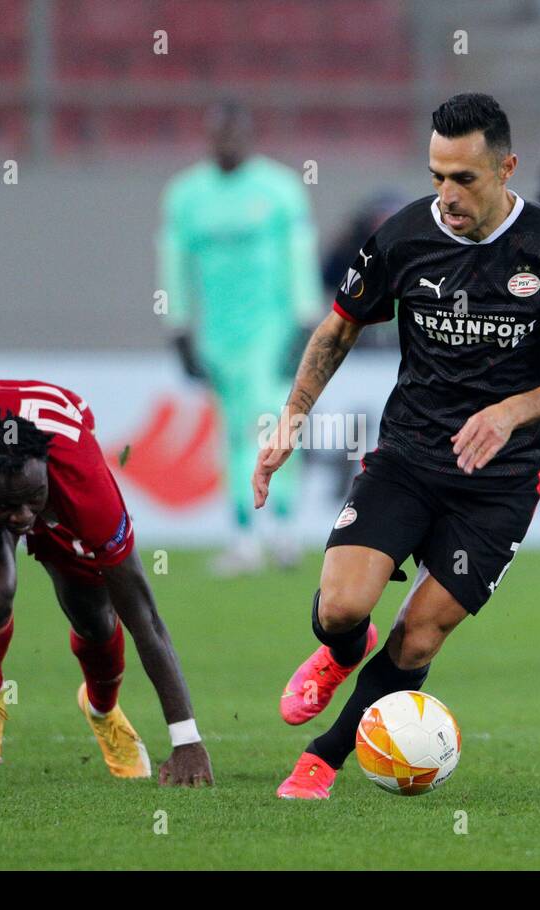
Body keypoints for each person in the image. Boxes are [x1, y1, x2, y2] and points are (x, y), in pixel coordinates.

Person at [254, 93, 540, 799]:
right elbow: (339, 328)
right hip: (409, 455)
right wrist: (293, 416)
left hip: (500, 482)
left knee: (417, 638)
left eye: (464, 178)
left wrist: (511, 411)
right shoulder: (404, 236)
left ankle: (322, 759)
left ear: (506, 167)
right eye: (436, 174)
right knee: (341, 609)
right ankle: (339, 653)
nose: (446, 194)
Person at [0, 378, 213, 788]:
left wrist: (186, 739)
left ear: (47, 471)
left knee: (97, 619)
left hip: (57, 495)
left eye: (31, 498)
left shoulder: (85, 482)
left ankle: (103, 710)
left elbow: (144, 615)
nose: (21, 516)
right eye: (6, 504)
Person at [157, 102, 322, 575]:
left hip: (271, 333)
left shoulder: (280, 189)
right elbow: (173, 263)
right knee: (230, 436)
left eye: (234, 133)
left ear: (249, 136)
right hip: (217, 337)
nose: (226, 142)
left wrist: (304, 324)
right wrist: (179, 329)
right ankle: (245, 538)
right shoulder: (186, 195)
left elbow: (299, 257)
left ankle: (287, 531)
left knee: (275, 427)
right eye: (219, 134)